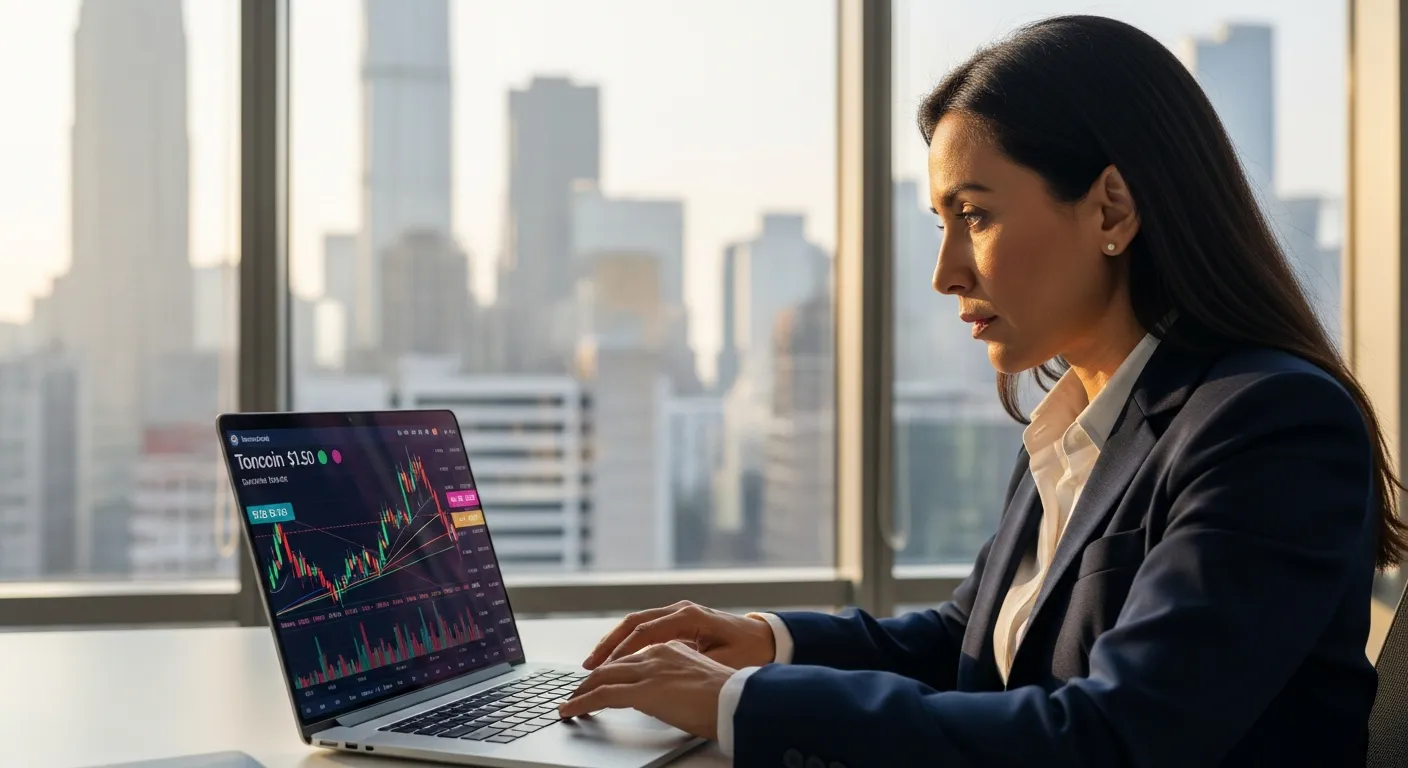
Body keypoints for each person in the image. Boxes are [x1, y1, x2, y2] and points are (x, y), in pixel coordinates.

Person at [556, 15, 1407, 767]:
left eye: (976, 215)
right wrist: (765, 645)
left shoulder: (1272, 426)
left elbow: (1115, 739)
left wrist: (741, 706)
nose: (943, 272)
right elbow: (969, 641)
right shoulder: (1079, 418)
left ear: (1111, 210)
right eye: (942, 222)